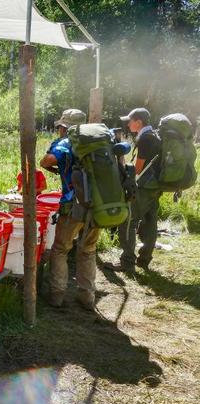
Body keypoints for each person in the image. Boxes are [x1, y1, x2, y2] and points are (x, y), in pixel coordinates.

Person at [39, 108, 99, 310]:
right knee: (88, 250)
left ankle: (56, 295)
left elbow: (46, 161)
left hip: (74, 204)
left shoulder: (66, 142)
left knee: (60, 249)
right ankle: (87, 297)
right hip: (99, 205)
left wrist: (53, 155)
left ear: (64, 127)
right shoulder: (99, 141)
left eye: (59, 128)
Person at [106, 108, 163, 273]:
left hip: (144, 187)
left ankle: (127, 262)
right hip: (156, 186)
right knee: (150, 222)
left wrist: (122, 168)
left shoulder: (145, 138)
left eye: (130, 121)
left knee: (129, 222)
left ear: (139, 122)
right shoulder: (156, 135)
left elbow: (138, 169)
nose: (128, 124)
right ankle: (144, 260)